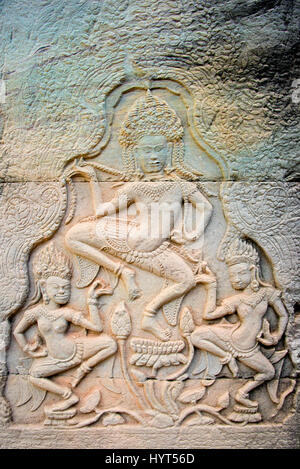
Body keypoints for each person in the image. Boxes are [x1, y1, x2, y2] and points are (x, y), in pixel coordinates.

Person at [65, 91, 212, 341]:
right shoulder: (134, 187)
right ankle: (121, 271)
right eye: (146, 151)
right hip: (126, 240)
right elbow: (102, 212)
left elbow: (205, 207)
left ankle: (149, 315)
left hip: (155, 252)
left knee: (186, 280)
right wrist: (92, 180)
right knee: (72, 237)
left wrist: (192, 233)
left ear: (170, 151)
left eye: (158, 150)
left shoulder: (180, 186)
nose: (153, 157)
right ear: (135, 154)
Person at [14, 242, 117, 411]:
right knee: (34, 376)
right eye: (56, 287)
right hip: (54, 359)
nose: (62, 291)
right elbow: (18, 331)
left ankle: (82, 370)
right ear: (43, 287)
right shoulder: (36, 312)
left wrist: (91, 301)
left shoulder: (66, 313)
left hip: (76, 350)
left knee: (110, 344)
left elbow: (96, 328)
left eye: (66, 288)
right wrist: (28, 348)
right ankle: (67, 395)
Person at [191, 239, 288, 408]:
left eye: (240, 274)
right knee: (196, 336)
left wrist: (276, 336)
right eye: (232, 276)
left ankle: (242, 393)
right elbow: (209, 314)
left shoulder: (267, 294)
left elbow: (283, 315)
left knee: (269, 372)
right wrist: (212, 286)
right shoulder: (237, 300)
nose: (235, 279)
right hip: (231, 339)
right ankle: (225, 357)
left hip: (250, 349)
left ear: (253, 270)